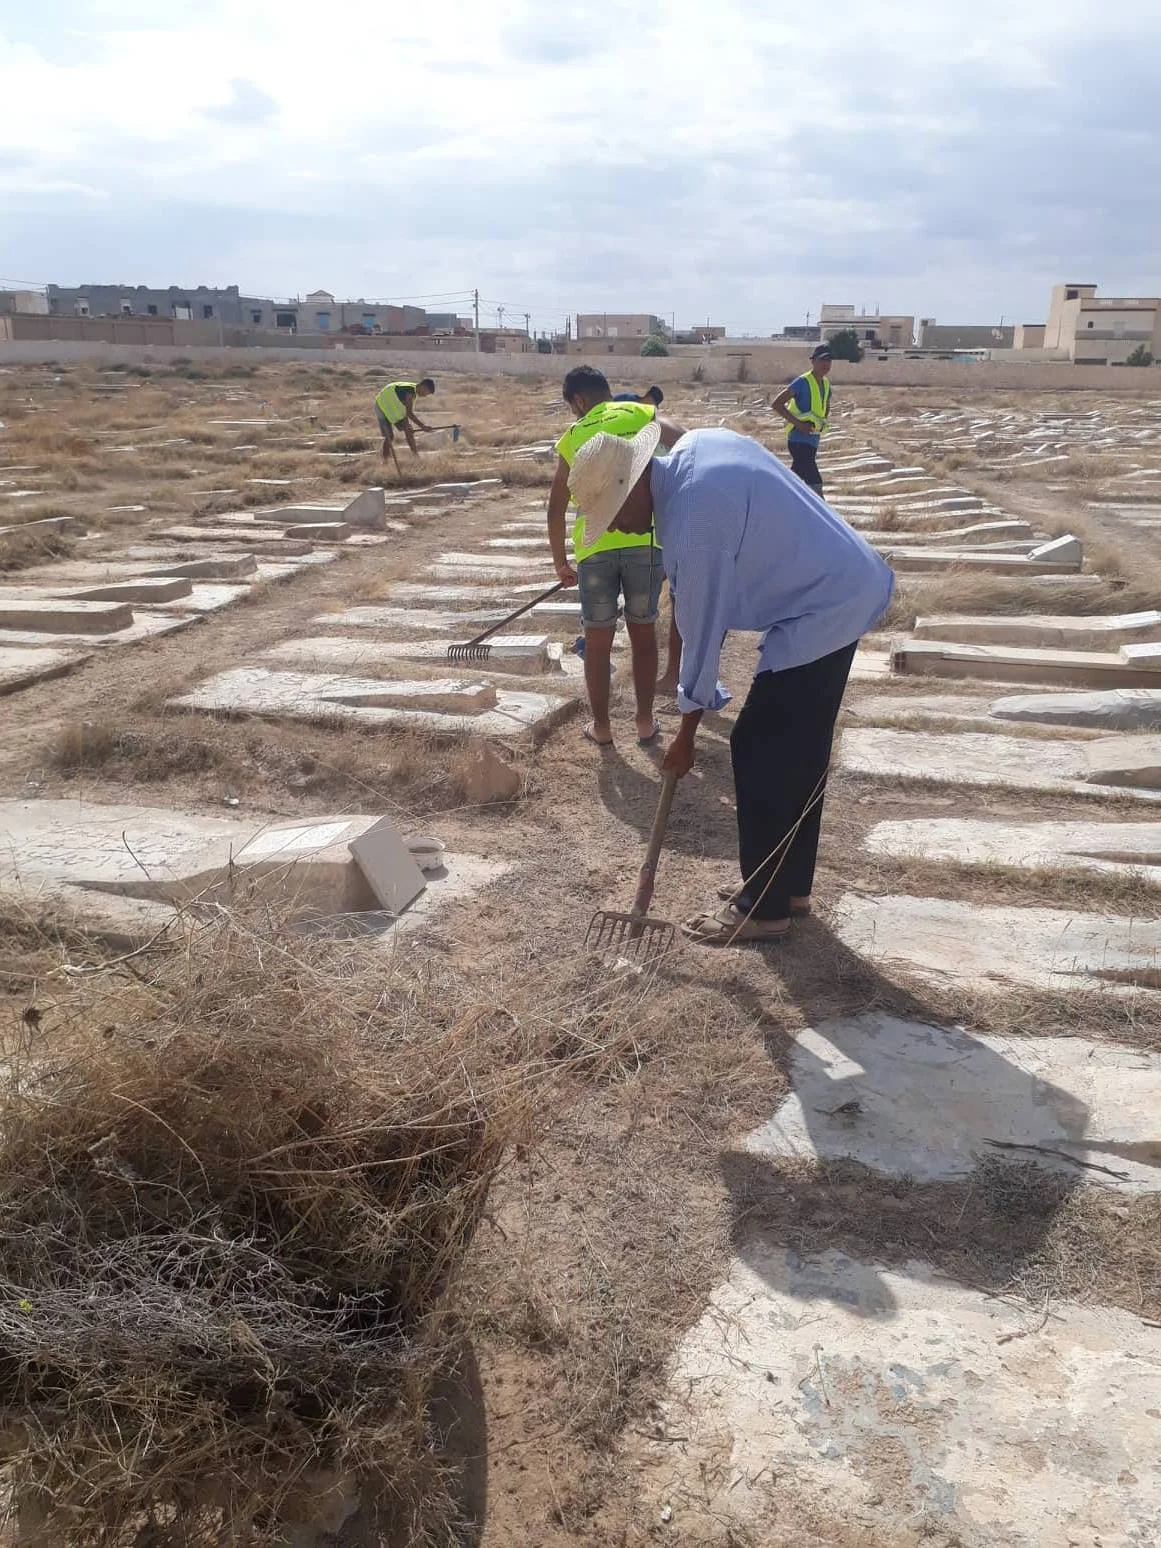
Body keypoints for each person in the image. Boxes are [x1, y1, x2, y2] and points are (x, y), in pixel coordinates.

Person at [566, 423, 893, 946]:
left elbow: (702, 634)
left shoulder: (695, 525)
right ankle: (788, 886)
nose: (621, 528)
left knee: (758, 747)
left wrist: (686, 735)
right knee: (800, 749)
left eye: (616, 514)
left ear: (637, 483)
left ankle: (764, 908)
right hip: (842, 583)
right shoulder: (696, 447)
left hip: (823, 604)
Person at [546, 366, 685, 746]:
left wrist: (561, 562)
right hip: (647, 544)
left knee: (597, 640)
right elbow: (689, 447)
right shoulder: (642, 414)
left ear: (578, 401)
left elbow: (556, 505)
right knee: (643, 635)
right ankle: (643, 722)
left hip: (595, 551)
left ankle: (602, 728)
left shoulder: (574, 435)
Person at [771, 345, 832, 492]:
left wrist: (821, 422)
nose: (826, 364)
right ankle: (821, 513)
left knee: (793, 481)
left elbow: (825, 405)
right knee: (815, 483)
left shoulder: (826, 383)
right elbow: (777, 404)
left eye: (829, 360)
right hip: (798, 441)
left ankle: (775, 503)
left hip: (813, 440)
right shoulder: (802, 382)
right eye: (822, 360)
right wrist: (799, 424)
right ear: (813, 361)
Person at [374, 377, 436, 460]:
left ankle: (416, 457)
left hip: (393, 409)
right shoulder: (410, 391)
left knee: (408, 429)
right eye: (426, 393)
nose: (425, 396)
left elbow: (406, 412)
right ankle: (385, 462)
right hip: (382, 407)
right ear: (423, 386)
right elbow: (409, 413)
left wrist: (407, 426)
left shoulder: (414, 390)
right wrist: (422, 426)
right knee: (389, 436)